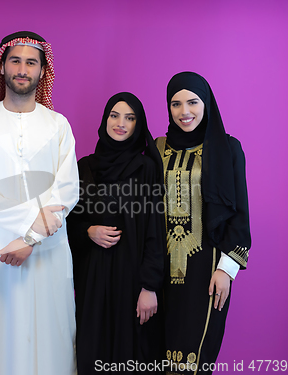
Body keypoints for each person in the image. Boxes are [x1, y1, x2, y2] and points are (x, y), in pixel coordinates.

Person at [0, 31, 79, 375]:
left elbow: (67, 188)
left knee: (51, 338)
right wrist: (21, 233)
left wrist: (30, 239)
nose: (23, 69)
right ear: (2, 67)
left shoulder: (58, 125)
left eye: (31, 62)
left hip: (48, 252)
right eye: (15, 60)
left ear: (43, 71)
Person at [156, 72, 251, 375]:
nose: (185, 112)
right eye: (176, 104)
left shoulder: (227, 149)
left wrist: (227, 269)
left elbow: (239, 213)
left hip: (208, 271)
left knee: (193, 361)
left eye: (193, 102)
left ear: (206, 102)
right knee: (155, 355)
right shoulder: (156, 149)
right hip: (158, 269)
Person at [66, 92, 166, 374]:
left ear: (138, 124)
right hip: (92, 278)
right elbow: (68, 222)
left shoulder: (146, 168)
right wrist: (89, 230)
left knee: (130, 354)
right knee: (92, 350)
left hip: (132, 279)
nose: (120, 123)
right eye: (114, 115)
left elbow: (155, 229)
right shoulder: (84, 166)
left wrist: (149, 286)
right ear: (105, 119)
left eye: (130, 118)